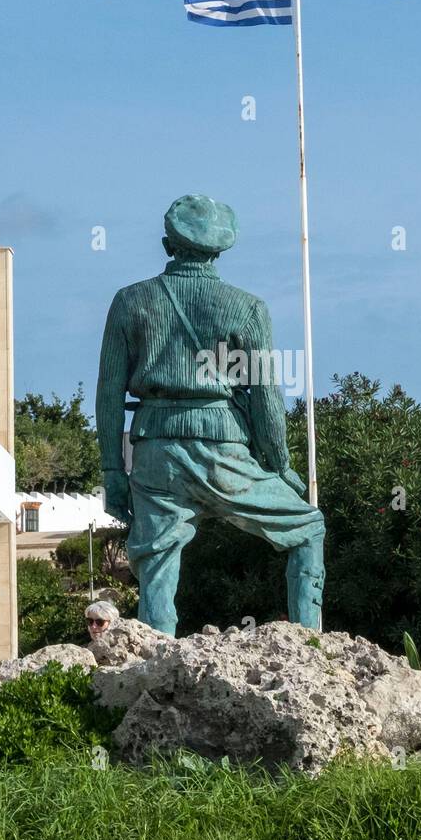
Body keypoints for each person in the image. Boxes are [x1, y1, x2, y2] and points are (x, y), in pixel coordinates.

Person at [95, 194, 326, 635]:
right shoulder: (247, 308)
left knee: (158, 563)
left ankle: (156, 668)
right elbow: (265, 398)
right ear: (219, 252)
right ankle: (308, 646)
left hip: (155, 448)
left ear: (168, 245)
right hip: (223, 449)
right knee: (308, 527)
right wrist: (280, 465)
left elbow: (108, 395)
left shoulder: (129, 301)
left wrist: (111, 470)